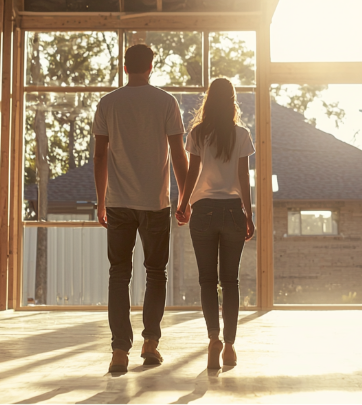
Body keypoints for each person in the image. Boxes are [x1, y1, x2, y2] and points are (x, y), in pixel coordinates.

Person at [93, 44, 188, 374]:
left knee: (119, 274)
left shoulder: (108, 104)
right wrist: (184, 197)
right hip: (155, 202)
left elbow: (100, 156)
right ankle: (150, 343)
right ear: (151, 66)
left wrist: (101, 199)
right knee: (155, 272)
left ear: (124, 66)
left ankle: (120, 351)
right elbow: (179, 155)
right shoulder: (166, 102)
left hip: (118, 202)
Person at [175, 78, 255, 370]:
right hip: (233, 210)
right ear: (232, 100)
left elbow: (192, 172)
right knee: (230, 281)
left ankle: (213, 339)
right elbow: (244, 178)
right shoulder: (242, 135)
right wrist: (248, 214)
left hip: (204, 210)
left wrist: (183, 206)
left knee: (207, 280)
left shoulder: (197, 134)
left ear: (208, 100)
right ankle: (231, 347)